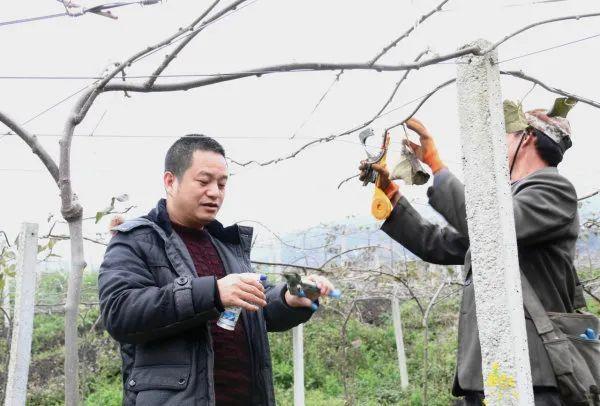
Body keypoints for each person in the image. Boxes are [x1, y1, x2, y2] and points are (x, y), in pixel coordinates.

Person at [360, 102, 584, 405]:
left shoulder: (553, 189)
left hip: (532, 376)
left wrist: (437, 166)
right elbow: (436, 244)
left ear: (527, 137)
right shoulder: (508, 201)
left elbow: (492, 225)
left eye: (504, 134)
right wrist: (389, 194)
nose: (498, 143)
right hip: (490, 373)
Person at [99, 135, 336, 406]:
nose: (215, 192)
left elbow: (256, 307)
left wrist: (289, 297)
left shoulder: (225, 244)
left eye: (222, 184)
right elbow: (120, 312)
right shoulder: (136, 239)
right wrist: (212, 293)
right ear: (170, 181)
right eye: (204, 181)